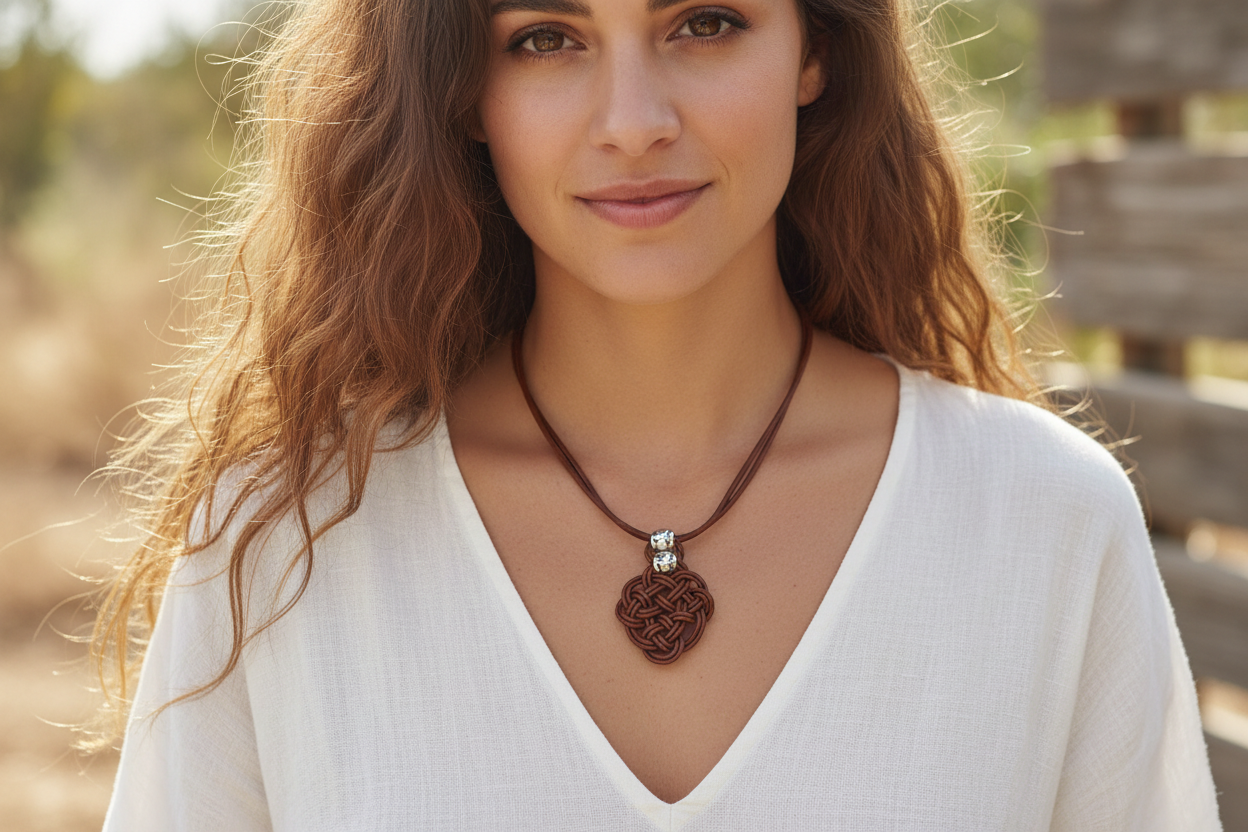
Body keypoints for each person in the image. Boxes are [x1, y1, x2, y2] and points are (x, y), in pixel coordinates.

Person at [93, 0, 1221, 828]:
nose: (633, 121)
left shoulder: (1046, 520)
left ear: (815, 52)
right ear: (462, 95)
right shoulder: (286, 539)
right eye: (546, 38)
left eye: (706, 23)